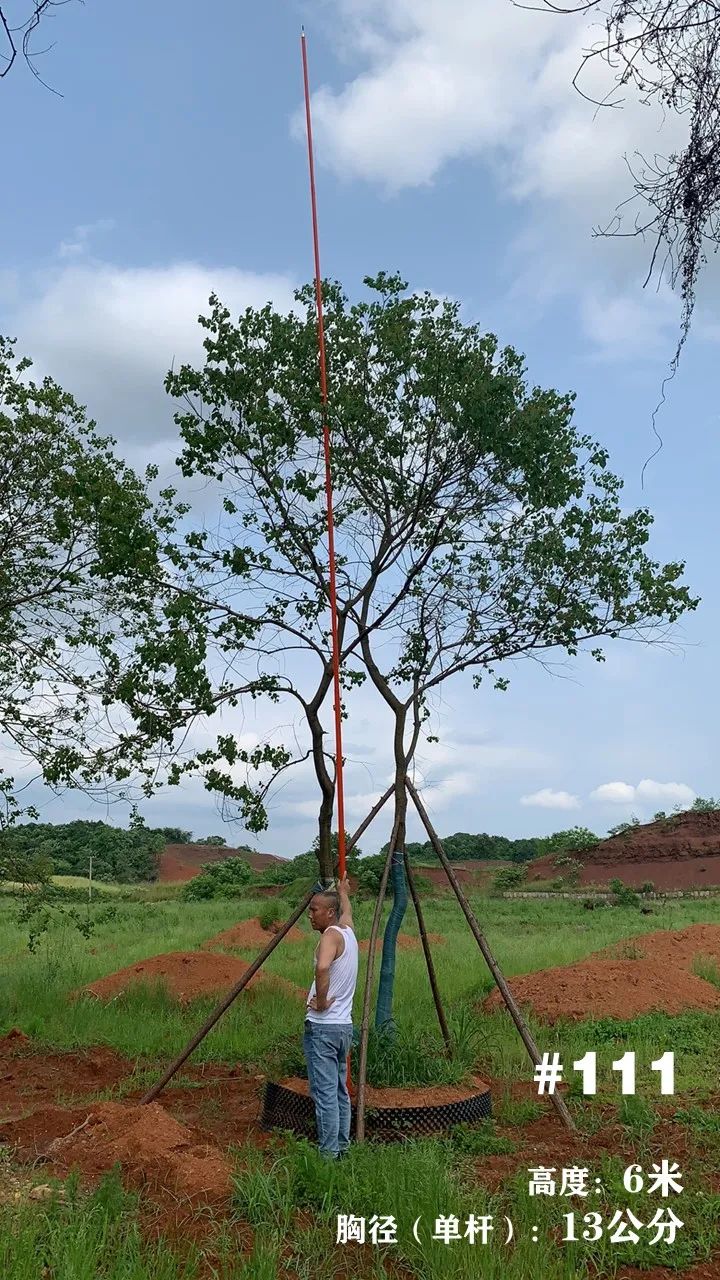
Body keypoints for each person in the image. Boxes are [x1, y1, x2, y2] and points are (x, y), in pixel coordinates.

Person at [304, 873, 358, 1159]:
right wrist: (343, 891)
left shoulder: (330, 936)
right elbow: (347, 912)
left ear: (329, 912)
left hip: (324, 1027)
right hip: (343, 1027)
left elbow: (322, 968)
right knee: (339, 1092)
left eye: (315, 910)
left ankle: (328, 1156)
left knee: (325, 1094)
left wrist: (322, 1002)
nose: (310, 915)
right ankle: (342, 1148)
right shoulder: (347, 931)